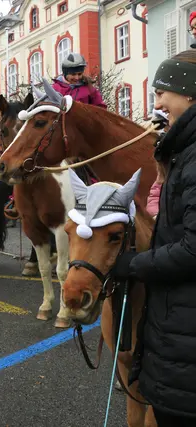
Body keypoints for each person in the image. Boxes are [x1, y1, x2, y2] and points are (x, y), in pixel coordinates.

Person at [112, 49, 196, 426]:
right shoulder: (183, 153)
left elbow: (192, 249)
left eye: (162, 93)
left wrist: (135, 264)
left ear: (189, 93)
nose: (157, 103)